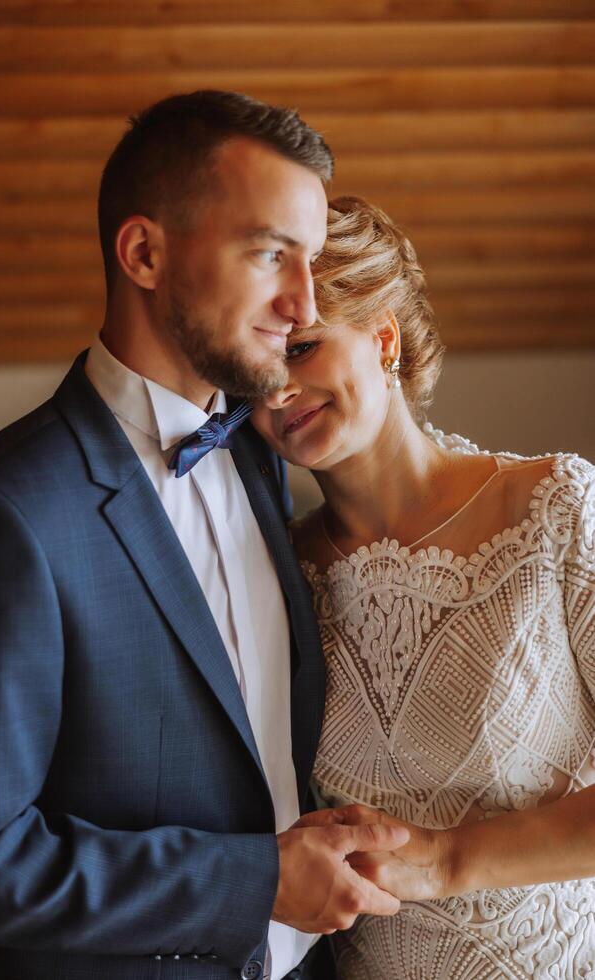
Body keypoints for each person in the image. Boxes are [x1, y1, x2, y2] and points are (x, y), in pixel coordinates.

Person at [0, 96, 410, 980]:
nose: (303, 301)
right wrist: (255, 883)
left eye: (308, 261)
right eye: (271, 253)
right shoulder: (6, 514)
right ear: (145, 253)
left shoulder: (264, 462)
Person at [252, 195, 595, 979]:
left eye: (302, 350)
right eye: (257, 375)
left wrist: (444, 861)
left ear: (382, 339)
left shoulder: (555, 511)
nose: (275, 396)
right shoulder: (281, 573)